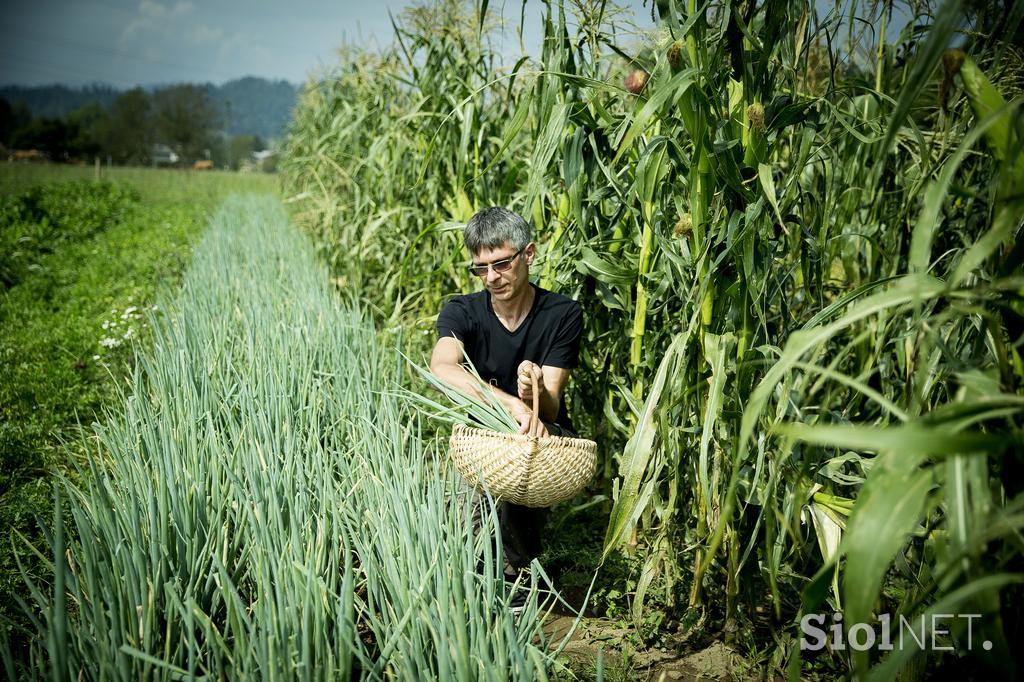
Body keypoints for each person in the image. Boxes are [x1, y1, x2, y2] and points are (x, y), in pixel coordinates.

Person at [430, 206, 584, 580]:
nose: (492, 277)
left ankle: (515, 573)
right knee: (468, 523)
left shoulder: (562, 314)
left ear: (527, 254)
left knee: (520, 464)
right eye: (481, 268)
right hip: (484, 438)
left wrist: (533, 393)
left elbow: (549, 410)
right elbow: (443, 367)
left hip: (540, 439)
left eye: (501, 264)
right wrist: (512, 402)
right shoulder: (462, 311)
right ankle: (476, 573)